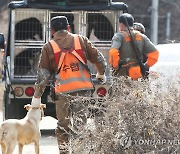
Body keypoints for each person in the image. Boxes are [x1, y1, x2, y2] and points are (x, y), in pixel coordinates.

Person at [30, 16, 107, 153]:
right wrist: (101, 74)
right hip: (83, 90)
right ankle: (79, 151)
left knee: (63, 127)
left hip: (62, 92)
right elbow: (99, 59)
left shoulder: (49, 47)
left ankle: (64, 152)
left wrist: (37, 96)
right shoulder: (81, 40)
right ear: (69, 28)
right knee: (80, 125)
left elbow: (44, 75)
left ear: (52, 31)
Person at [109, 13, 159, 80]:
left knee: (121, 90)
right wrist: (146, 66)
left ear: (121, 25)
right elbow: (155, 53)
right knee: (137, 90)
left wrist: (115, 66)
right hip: (137, 73)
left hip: (122, 74)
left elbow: (113, 52)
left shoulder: (119, 36)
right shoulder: (142, 37)